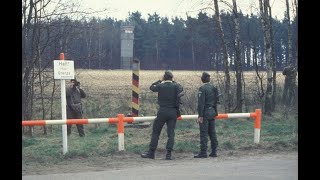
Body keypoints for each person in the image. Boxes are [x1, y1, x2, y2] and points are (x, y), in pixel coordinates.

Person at [141, 70, 183, 160]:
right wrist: (173, 81)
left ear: (164, 77)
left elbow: (152, 87)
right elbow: (181, 88)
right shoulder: (176, 86)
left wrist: (159, 81)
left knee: (156, 132)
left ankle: (151, 152)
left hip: (162, 111)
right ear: (171, 78)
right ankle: (168, 154)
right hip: (173, 112)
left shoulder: (161, 86)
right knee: (171, 133)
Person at [194, 72, 219, 158]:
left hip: (205, 113)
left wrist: (200, 115)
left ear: (202, 79)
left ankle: (203, 152)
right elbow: (216, 101)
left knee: (204, 133)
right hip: (212, 112)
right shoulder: (213, 88)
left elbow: (201, 104)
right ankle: (214, 151)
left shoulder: (202, 89)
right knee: (212, 132)